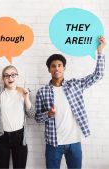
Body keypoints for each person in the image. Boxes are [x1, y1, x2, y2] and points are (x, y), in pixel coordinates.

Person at [35, 37, 106, 169]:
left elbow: (98, 75)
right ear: (49, 70)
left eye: (59, 65)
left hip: (74, 142)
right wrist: (48, 114)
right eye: (53, 66)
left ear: (64, 68)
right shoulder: (42, 92)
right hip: (53, 143)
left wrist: (100, 52)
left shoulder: (75, 85)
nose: (57, 68)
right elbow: (37, 118)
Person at [0, 49, 35, 168]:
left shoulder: (24, 92)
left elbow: (32, 115)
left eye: (13, 75)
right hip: (2, 136)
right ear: (3, 78)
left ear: (17, 76)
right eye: (6, 75)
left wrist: (26, 98)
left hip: (20, 137)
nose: (10, 77)